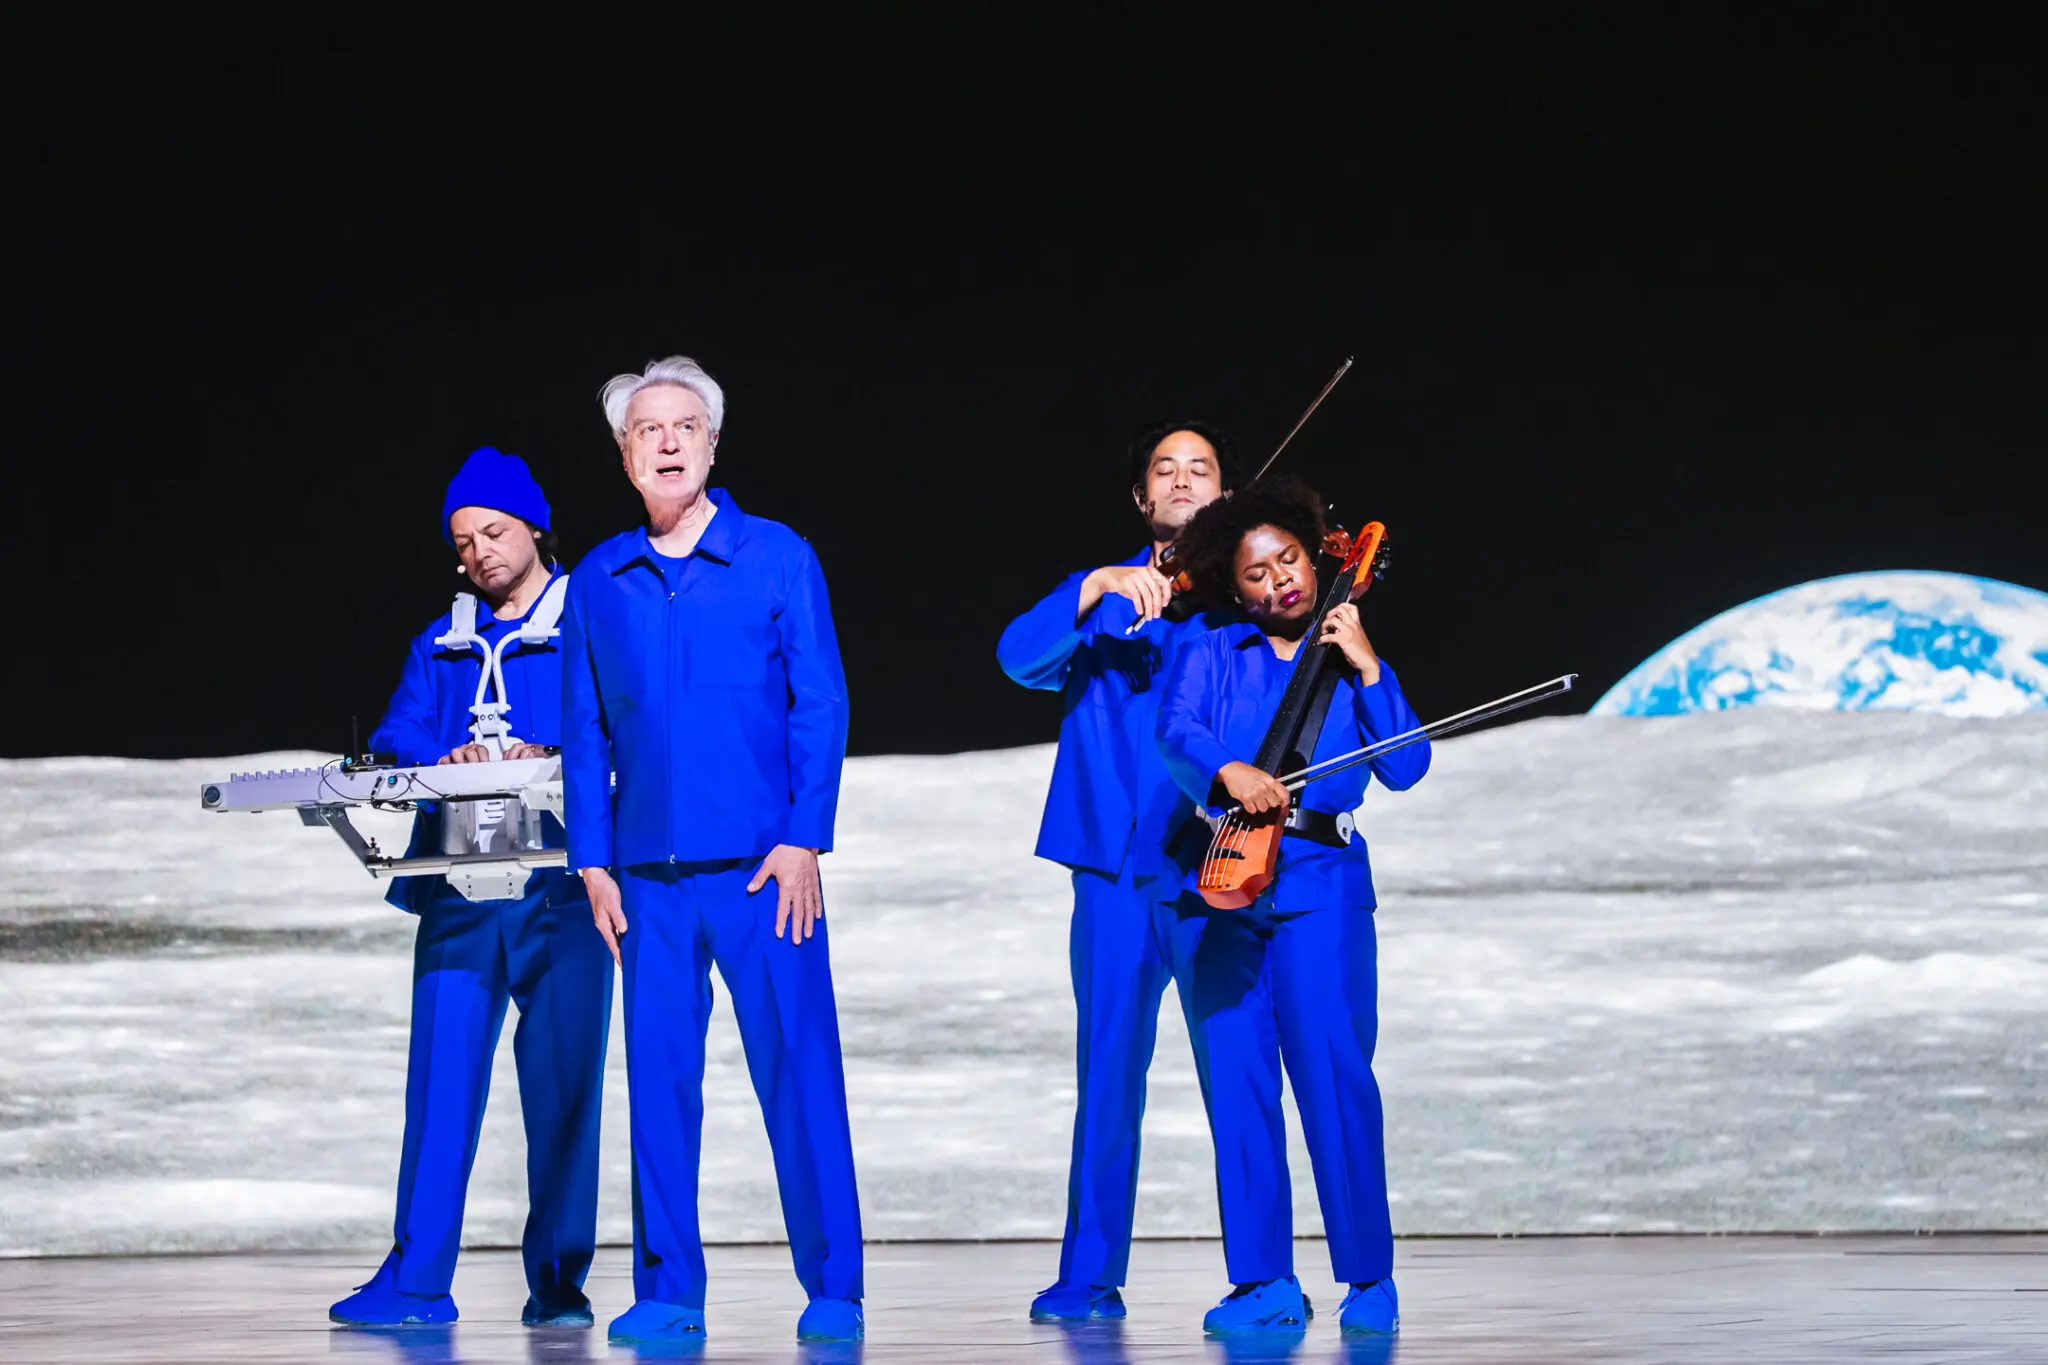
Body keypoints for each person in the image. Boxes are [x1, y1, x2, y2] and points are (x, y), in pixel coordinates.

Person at [561, 356, 863, 1346]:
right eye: (647, 430)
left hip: (763, 870)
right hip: (645, 878)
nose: (667, 442)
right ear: (624, 455)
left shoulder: (776, 556)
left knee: (799, 1072)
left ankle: (834, 1283)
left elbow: (819, 702)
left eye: (684, 426)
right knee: (657, 1085)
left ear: (713, 444)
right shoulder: (599, 579)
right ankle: (668, 1291)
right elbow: (583, 730)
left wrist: (804, 835)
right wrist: (593, 861)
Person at [330, 447, 613, 1330]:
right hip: (459, 889)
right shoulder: (442, 641)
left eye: (492, 531)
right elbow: (400, 728)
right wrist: (435, 755)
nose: (479, 552)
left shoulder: (588, 619)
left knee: (564, 1093)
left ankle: (558, 1284)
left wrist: (551, 750)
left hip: (563, 891)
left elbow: (617, 718)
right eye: (462, 541)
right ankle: (417, 1282)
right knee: (439, 1085)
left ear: (534, 526)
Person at [1149, 475, 1429, 1338]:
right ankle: (1262, 1279)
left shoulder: (1346, 652)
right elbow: (1177, 729)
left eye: (1291, 561)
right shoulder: (1209, 649)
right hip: (1222, 882)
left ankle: (1368, 1276)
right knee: (1238, 1083)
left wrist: (1369, 663)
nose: (1280, 581)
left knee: (1335, 1075)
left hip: (1321, 883)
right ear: (1237, 589)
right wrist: (1227, 770)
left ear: (1315, 560)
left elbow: (1406, 765)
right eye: (1258, 573)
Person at [996, 419, 1241, 1320]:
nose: (1181, 479)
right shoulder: (1102, 595)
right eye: (1165, 469)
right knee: (1106, 1075)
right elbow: (1017, 657)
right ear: (1141, 496)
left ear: (1224, 493)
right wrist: (1096, 586)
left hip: (1212, 866)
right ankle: (1089, 1276)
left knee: (1234, 1076)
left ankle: (1262, 1275)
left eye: (1199, 468)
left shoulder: (1241, 599)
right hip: (1109, 869)